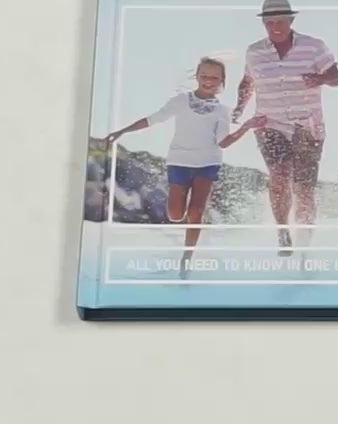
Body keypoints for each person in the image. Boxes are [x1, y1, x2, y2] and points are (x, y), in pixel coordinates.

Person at [105, 57, 266, 274]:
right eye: (204, 76)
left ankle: (187, 257)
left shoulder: (222, 111)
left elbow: (223, 142)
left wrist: (246, 127)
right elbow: (152, 119)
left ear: (222, 81)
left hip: (208, 163)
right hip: (179, 162)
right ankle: (189, 228)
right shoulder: (180, 101)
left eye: (214, 78)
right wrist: (122, 131)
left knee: (196, 210)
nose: (208, 81)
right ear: (197, 76)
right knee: (175, 215)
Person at [232, 0, 338, 255]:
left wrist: (320, 78)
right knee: (279, 174)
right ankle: (283, 231)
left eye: (280, 21)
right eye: (269, 22)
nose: (275, 27)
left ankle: (304, 241)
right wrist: (239, 108)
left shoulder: (314, 46)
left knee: (304, 189)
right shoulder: (254, 51)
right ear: (264, 24)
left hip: (308, 125)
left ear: (291, 20)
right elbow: (247, 82)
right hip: (269, 123)